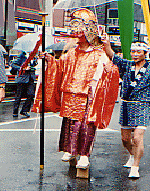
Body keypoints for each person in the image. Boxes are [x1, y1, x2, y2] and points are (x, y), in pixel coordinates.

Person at [33, 8, 119, 171]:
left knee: (85, 126)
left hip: (88, 95)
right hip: (70, 93)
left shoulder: (98, 54)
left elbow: (111, 71)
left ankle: (84, 155)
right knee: (69, 124)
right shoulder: (71, 53)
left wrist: (108, 71)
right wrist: (49, 60)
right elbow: (59, 67)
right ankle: (71, 151)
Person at [102, 39, 150, 178]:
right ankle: (132, 154)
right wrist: (106, 44)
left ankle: (135, 166)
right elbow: (112, 56)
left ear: (145, 53)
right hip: (126, 104)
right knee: (125, 139)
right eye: (133, 51)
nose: (135, 54)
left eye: (138, 52)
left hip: (143, 105)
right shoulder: (127, 65)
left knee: (137, 137)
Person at [11, 51, 38, 118]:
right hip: (22, 78)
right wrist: (22, 68)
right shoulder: (22, 55)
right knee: (18, 96)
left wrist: (35, 61)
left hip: (30, 78)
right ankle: (15, 111)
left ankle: (24, 110)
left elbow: (33, 64)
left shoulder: (33, 55)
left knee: (31, 94)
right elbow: (13, 64)